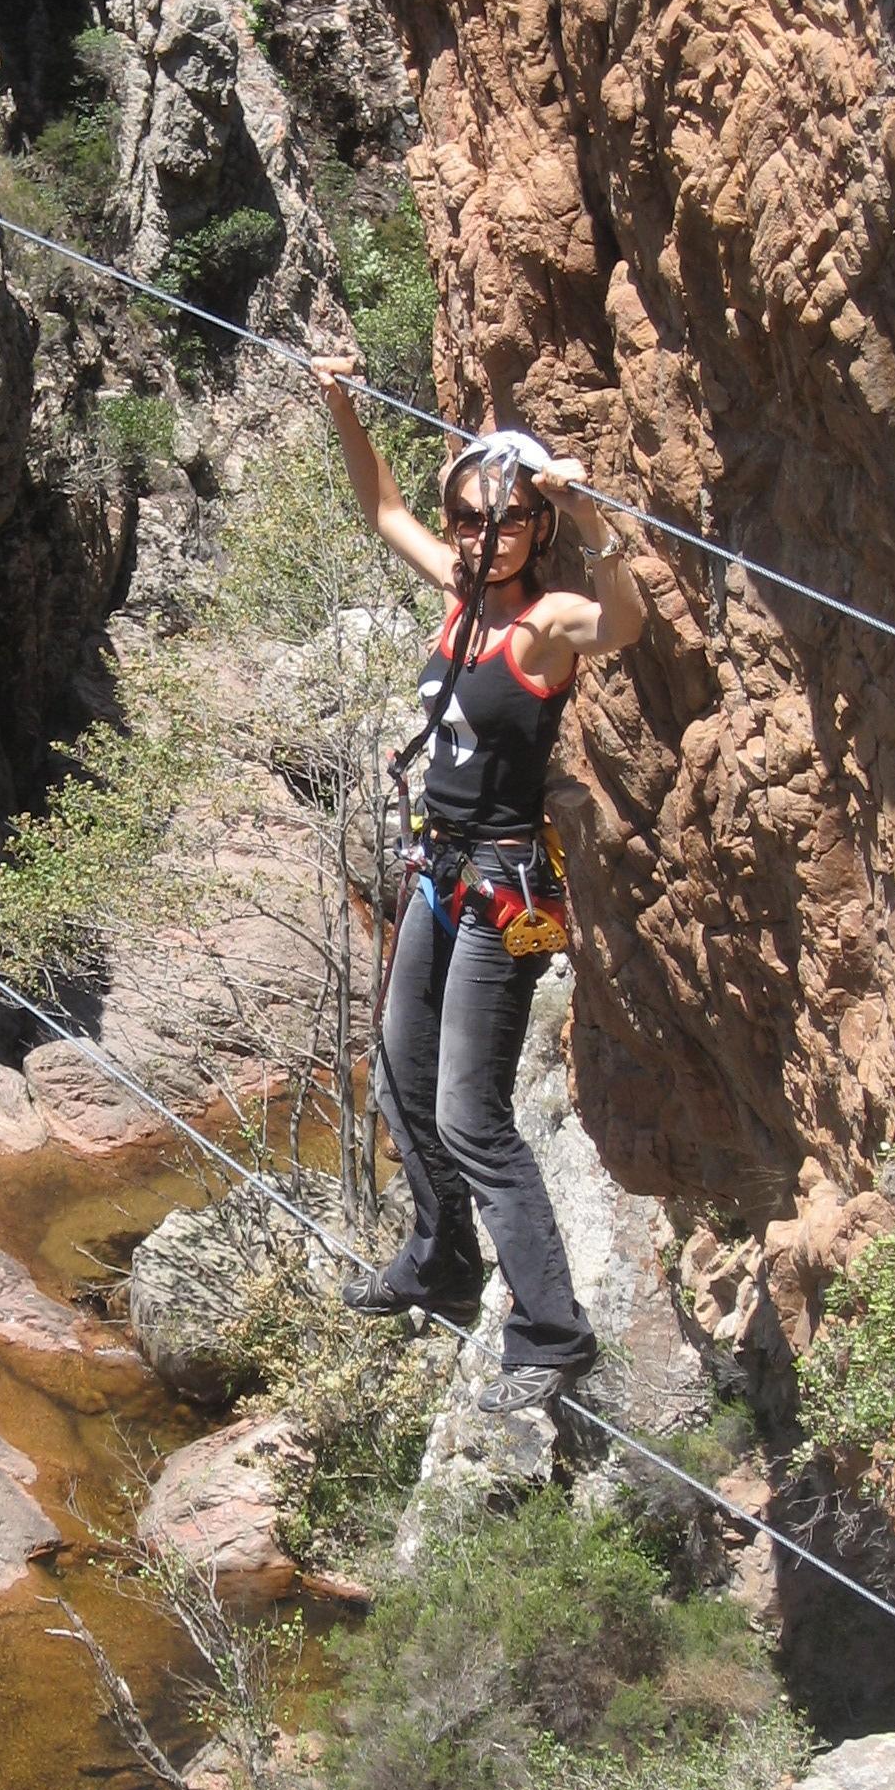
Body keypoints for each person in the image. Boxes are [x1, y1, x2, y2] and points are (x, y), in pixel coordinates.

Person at [310, 353, 648, 1415]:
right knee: (401, 1073)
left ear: (531, 531)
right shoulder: (458, 601)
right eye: (467, 521)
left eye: (498, 523)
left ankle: (552, 1331)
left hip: (516, 887)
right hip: (439, 868)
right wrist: (342, 404)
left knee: (471, 1113)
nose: (476, 539)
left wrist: (580, 511)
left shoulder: (547, 623)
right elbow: (380, 508)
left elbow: (626, 623)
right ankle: (441, 1255)